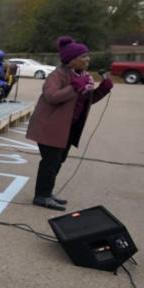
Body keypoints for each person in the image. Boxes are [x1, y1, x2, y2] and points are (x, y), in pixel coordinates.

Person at [26, 36, 113, 211]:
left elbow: (86, 100)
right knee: (50, 162)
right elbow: (51, 96)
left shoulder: (84, 77)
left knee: (59, 160)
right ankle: (41, 196)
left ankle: (47, 192)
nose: (87, 59)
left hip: (68, 128)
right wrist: (74, 87)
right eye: (83, 57)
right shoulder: (57, 75)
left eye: (88, 56)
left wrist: (102, 90)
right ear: (71, 60)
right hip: (49, 126)